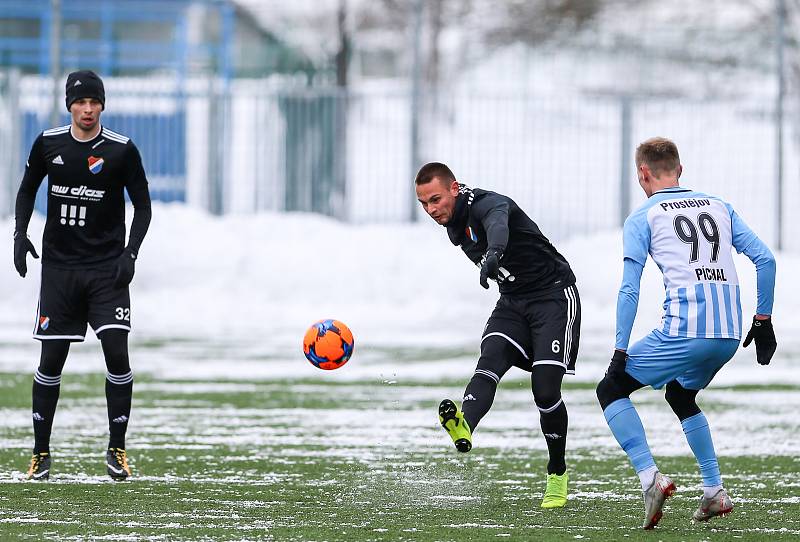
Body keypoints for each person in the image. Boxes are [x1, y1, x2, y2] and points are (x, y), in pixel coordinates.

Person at [596, 137, 777, 529]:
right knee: (680, 392)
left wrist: (619, 351)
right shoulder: (720, 206)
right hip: (728, 334)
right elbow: (765, 258)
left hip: (684, 332)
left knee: (610, 389)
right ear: (680, 170)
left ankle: (650, 479)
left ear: (642, 174)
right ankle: (713, 491)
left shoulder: (643, 216)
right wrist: (763, 320)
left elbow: (630, 288)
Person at [415, 162, 581, 508]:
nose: (432, 210)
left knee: (545, 390)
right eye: (424, 204)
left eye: (435, 199)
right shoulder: (453, 225)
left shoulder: (489, 203)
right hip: (512, 303)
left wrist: (493, 253)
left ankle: (557, 472)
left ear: (455, 188)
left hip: (553, 297)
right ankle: (464, 425)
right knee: (489, 359)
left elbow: (498, 223)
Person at [14, 70, 152, 481]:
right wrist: (20, 234)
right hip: (59, 270)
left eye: (94, 102)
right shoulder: (48, 143)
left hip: (106, 272)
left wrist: (130, 254)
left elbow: (143, 207)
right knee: (52, 359)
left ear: (102, 105)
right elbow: (26, 189)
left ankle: (117, 449)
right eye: (80, 102)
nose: (87, 109)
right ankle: (40, 453)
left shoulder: (121, 150)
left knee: (117, 354)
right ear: (69, 104)